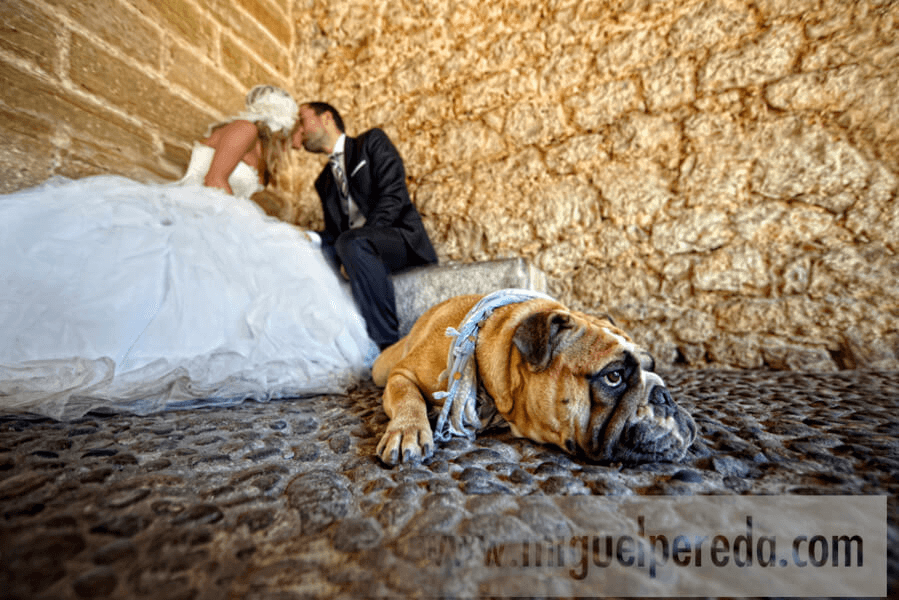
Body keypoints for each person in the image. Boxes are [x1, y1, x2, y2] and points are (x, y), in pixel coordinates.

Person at [0, 85, 379, 420]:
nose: (295, 136)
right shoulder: (244, 129)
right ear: (277, 120)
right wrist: (254, 228)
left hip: (217, 215)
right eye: (293, 125)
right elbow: (215, 182)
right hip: (197, 210)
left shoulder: (261, 148)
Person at [292, 102, 438, 350]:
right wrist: (308, 238)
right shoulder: (323, 182)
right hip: (355, 250)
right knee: (306, 254)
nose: (300, 130)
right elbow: (335, 232)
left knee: (351, 242)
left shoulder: (371, 142)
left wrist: (361, 239)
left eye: (302, 121)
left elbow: (393, 197)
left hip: (399, 240)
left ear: (326, 117)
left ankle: (388, 345)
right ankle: (320, 347)